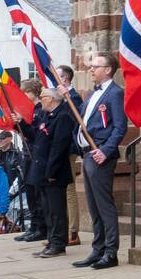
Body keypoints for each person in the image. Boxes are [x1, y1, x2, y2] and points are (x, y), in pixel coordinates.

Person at [71, 52, 127, 269]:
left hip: (100, 156)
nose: (91, 70)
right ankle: (98, 249)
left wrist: (106, 150)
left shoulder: (115, 94)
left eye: (96, 66)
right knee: (93, 206)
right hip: (87, 155)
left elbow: (119, 127)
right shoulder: (92, 94)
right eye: (92, 66)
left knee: (104, 205)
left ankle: (111, 252)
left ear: (108, 70)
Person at [33, 88, 74, 257]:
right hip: (43, 171)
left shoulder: (63, 117)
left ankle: (58, 243)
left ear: (51, 99)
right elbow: (36, 136)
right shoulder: (46, 116)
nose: (40, 100)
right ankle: (52, 240)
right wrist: (19, 123)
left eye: (42, 97)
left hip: (55, 172)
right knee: (48, 210)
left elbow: (59, 146)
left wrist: (51, 171)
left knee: (57, 210)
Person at [12, 80, 48, 242]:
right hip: (27, 154)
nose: (23, 95)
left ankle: (41, 227)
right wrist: (16, 123)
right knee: (30, 193)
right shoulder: (27, 109)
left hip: (36, 155)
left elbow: (34, 133)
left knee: (37, 193)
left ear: (34, 92)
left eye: (25, 92)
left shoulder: (40, 110)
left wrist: (22, 122)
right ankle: (33, 226)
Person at [56, 65, 83, 246]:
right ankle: (63, 230)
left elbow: (75, 122)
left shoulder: (73, 97)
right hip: (60, 149)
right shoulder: (62, 97)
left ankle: (73, 232)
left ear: (65, 79)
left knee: (70, 191)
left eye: (57, 77)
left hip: (70, 149)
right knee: (62, 191)